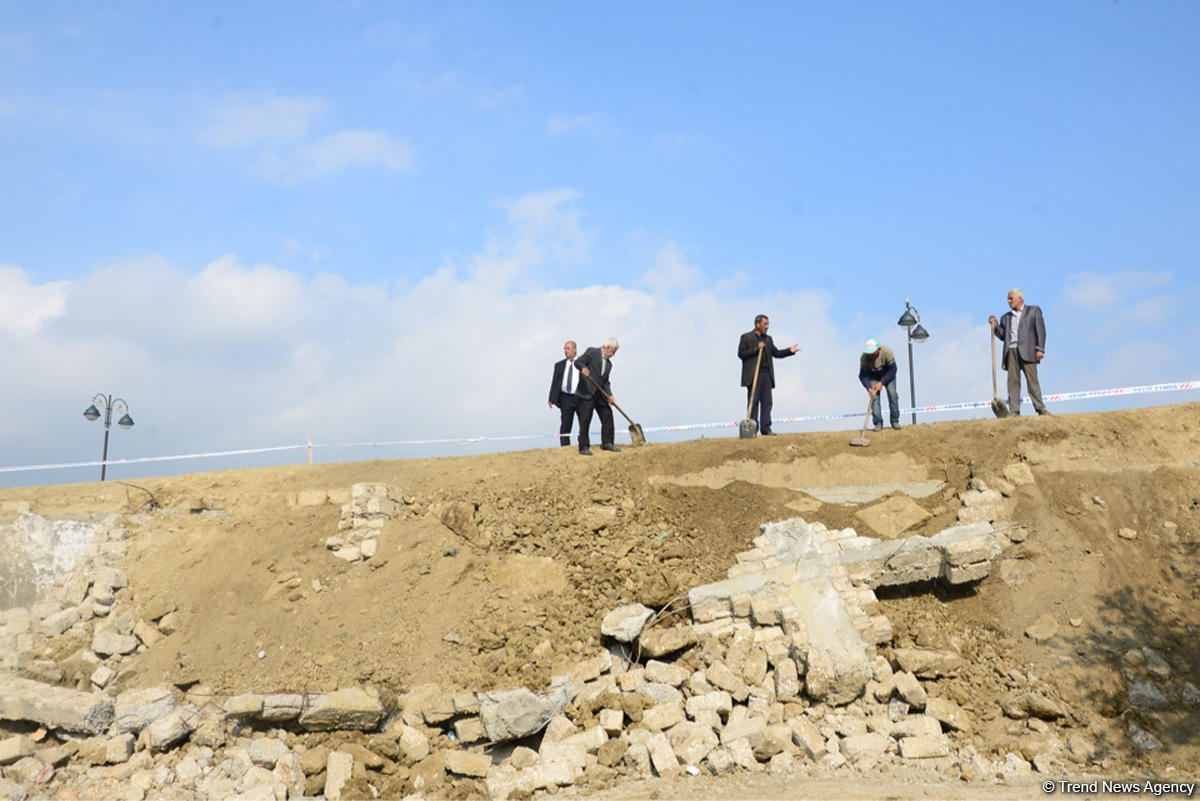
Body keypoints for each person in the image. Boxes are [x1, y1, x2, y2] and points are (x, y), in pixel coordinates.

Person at [990, 288, 1049, 415]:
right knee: (1013, 382)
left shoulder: (1033, 311)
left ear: (1020, 299)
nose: (1008, 301)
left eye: (1011, 298)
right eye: (1008, 299)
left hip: (1028, 351)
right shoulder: (1005, 317)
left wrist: (1040, 349)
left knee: (1032, 381)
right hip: (1011, 351)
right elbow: (1002, 335)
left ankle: (1040, 408)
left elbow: (1041, 330)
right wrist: (995, 325)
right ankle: (1014, 411)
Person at [737, 315, 799, 436]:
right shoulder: (746, 337)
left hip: (766, 374)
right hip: (753, 375)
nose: (767, 326)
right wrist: (756, 348)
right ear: (757, 324)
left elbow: (776, 353)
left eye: (768, 324)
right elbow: (741, 354)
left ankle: (766, 428)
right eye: (765, 324)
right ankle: (752, 430)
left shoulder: (768, 339)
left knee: (767, 402)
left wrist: (789, 351)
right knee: (753, 402)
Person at [574, 338, 621, 456]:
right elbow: (578, 362)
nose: (614, 355)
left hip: (600, 394)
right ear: (608, 348)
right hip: (587, 393)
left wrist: (610, 395)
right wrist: (583, 368)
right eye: (614, 352)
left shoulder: (609, 365)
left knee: (607, 415)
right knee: (585, 419)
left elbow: (605, 382)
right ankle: (583, 446)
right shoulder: (592, 352)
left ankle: (607, 443)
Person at [859, 339, 900, 431]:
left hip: (888, 375)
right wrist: (869, 388)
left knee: (892, 393)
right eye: (869, 353)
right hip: (873, 377)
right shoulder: (864, 358)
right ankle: (878, 423)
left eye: (872, 352)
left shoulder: (887, 352)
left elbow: (893, 369)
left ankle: (894, 420)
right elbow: (863, 375)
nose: (870, 355)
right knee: (874, 398)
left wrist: (882, 382)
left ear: (878, 349)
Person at [548, 340, 580, 447]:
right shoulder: (559, 365)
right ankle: (565, 446)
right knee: (565, 423)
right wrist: (551, 398)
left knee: (583, 422)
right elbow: (555, 382)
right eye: (565, 349)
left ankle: (583, 444)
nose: (566, 351)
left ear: (575, 349)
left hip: (580, 397)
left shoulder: (583, 363)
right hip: (566, 398)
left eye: (568, 348)